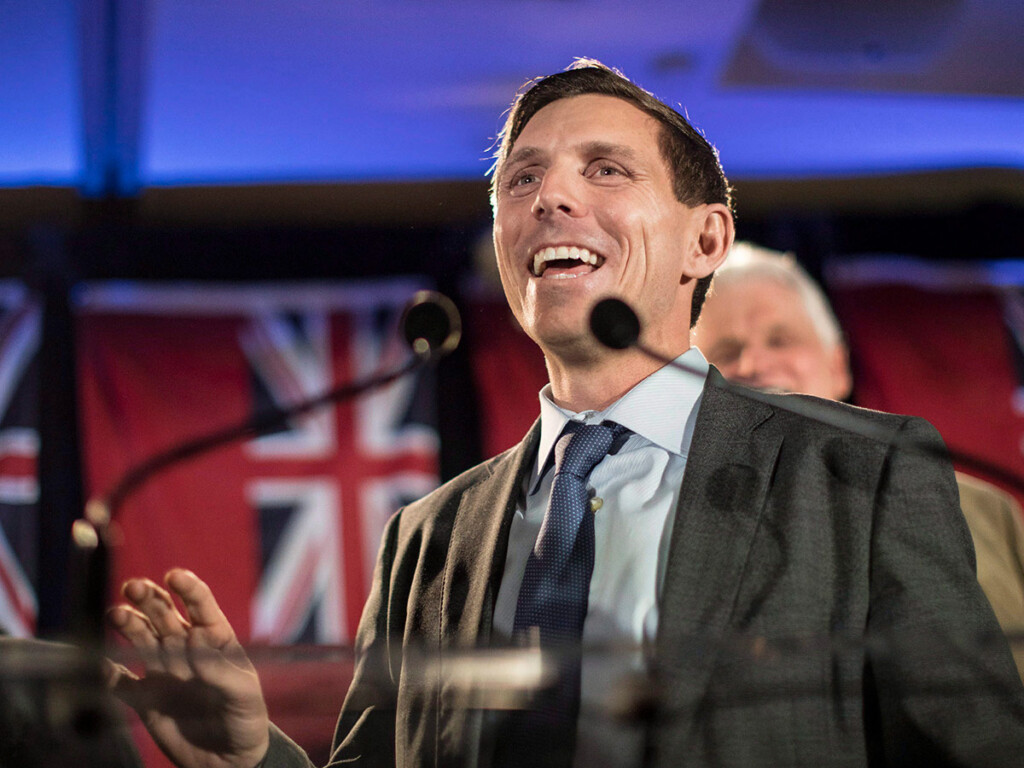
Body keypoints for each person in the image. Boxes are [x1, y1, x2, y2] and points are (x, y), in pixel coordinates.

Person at [105, 60, 1024, 768]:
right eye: (522, 180)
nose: (549, 197)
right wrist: (251, 755)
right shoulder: (428, 538)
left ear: (705, 239)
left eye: (606, 169)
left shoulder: (861, 475)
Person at [694, 240, 1024, 679]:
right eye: (726, 351)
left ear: (838, 366)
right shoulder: (676, 526)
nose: (753, 363)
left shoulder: (981, 510)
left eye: (780, 339)